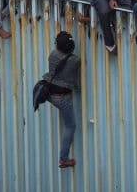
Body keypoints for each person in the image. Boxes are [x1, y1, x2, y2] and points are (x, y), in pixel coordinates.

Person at [43, 31, 81, 169]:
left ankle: (63, 158)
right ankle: (63, 159)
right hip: (62, 98)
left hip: (49, 94)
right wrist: (78, 90)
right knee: (70, 126)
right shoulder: (75, 60)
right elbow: (76, 82)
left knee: (67, 122)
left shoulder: (52, 54)